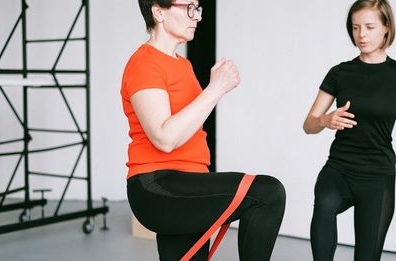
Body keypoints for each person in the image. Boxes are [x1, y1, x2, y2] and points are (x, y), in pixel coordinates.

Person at [121, 1, 286, 260]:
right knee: (267, 193)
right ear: (159, 11)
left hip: (188, 183)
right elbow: (164, 138)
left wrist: (214, 90)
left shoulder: (182, 65)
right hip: (158, 185)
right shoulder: (144, 64)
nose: (196, 16)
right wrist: (215, 89)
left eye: (197, 8)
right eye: (188, 7)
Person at [303, 0, 396, 260]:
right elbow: (309, 123)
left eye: (369, 27)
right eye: (355, 28)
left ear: (386, 28)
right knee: (324, 205)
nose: (361, 35)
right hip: (339, 168)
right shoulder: (340, 73)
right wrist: (324, 120)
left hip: (378, 175)